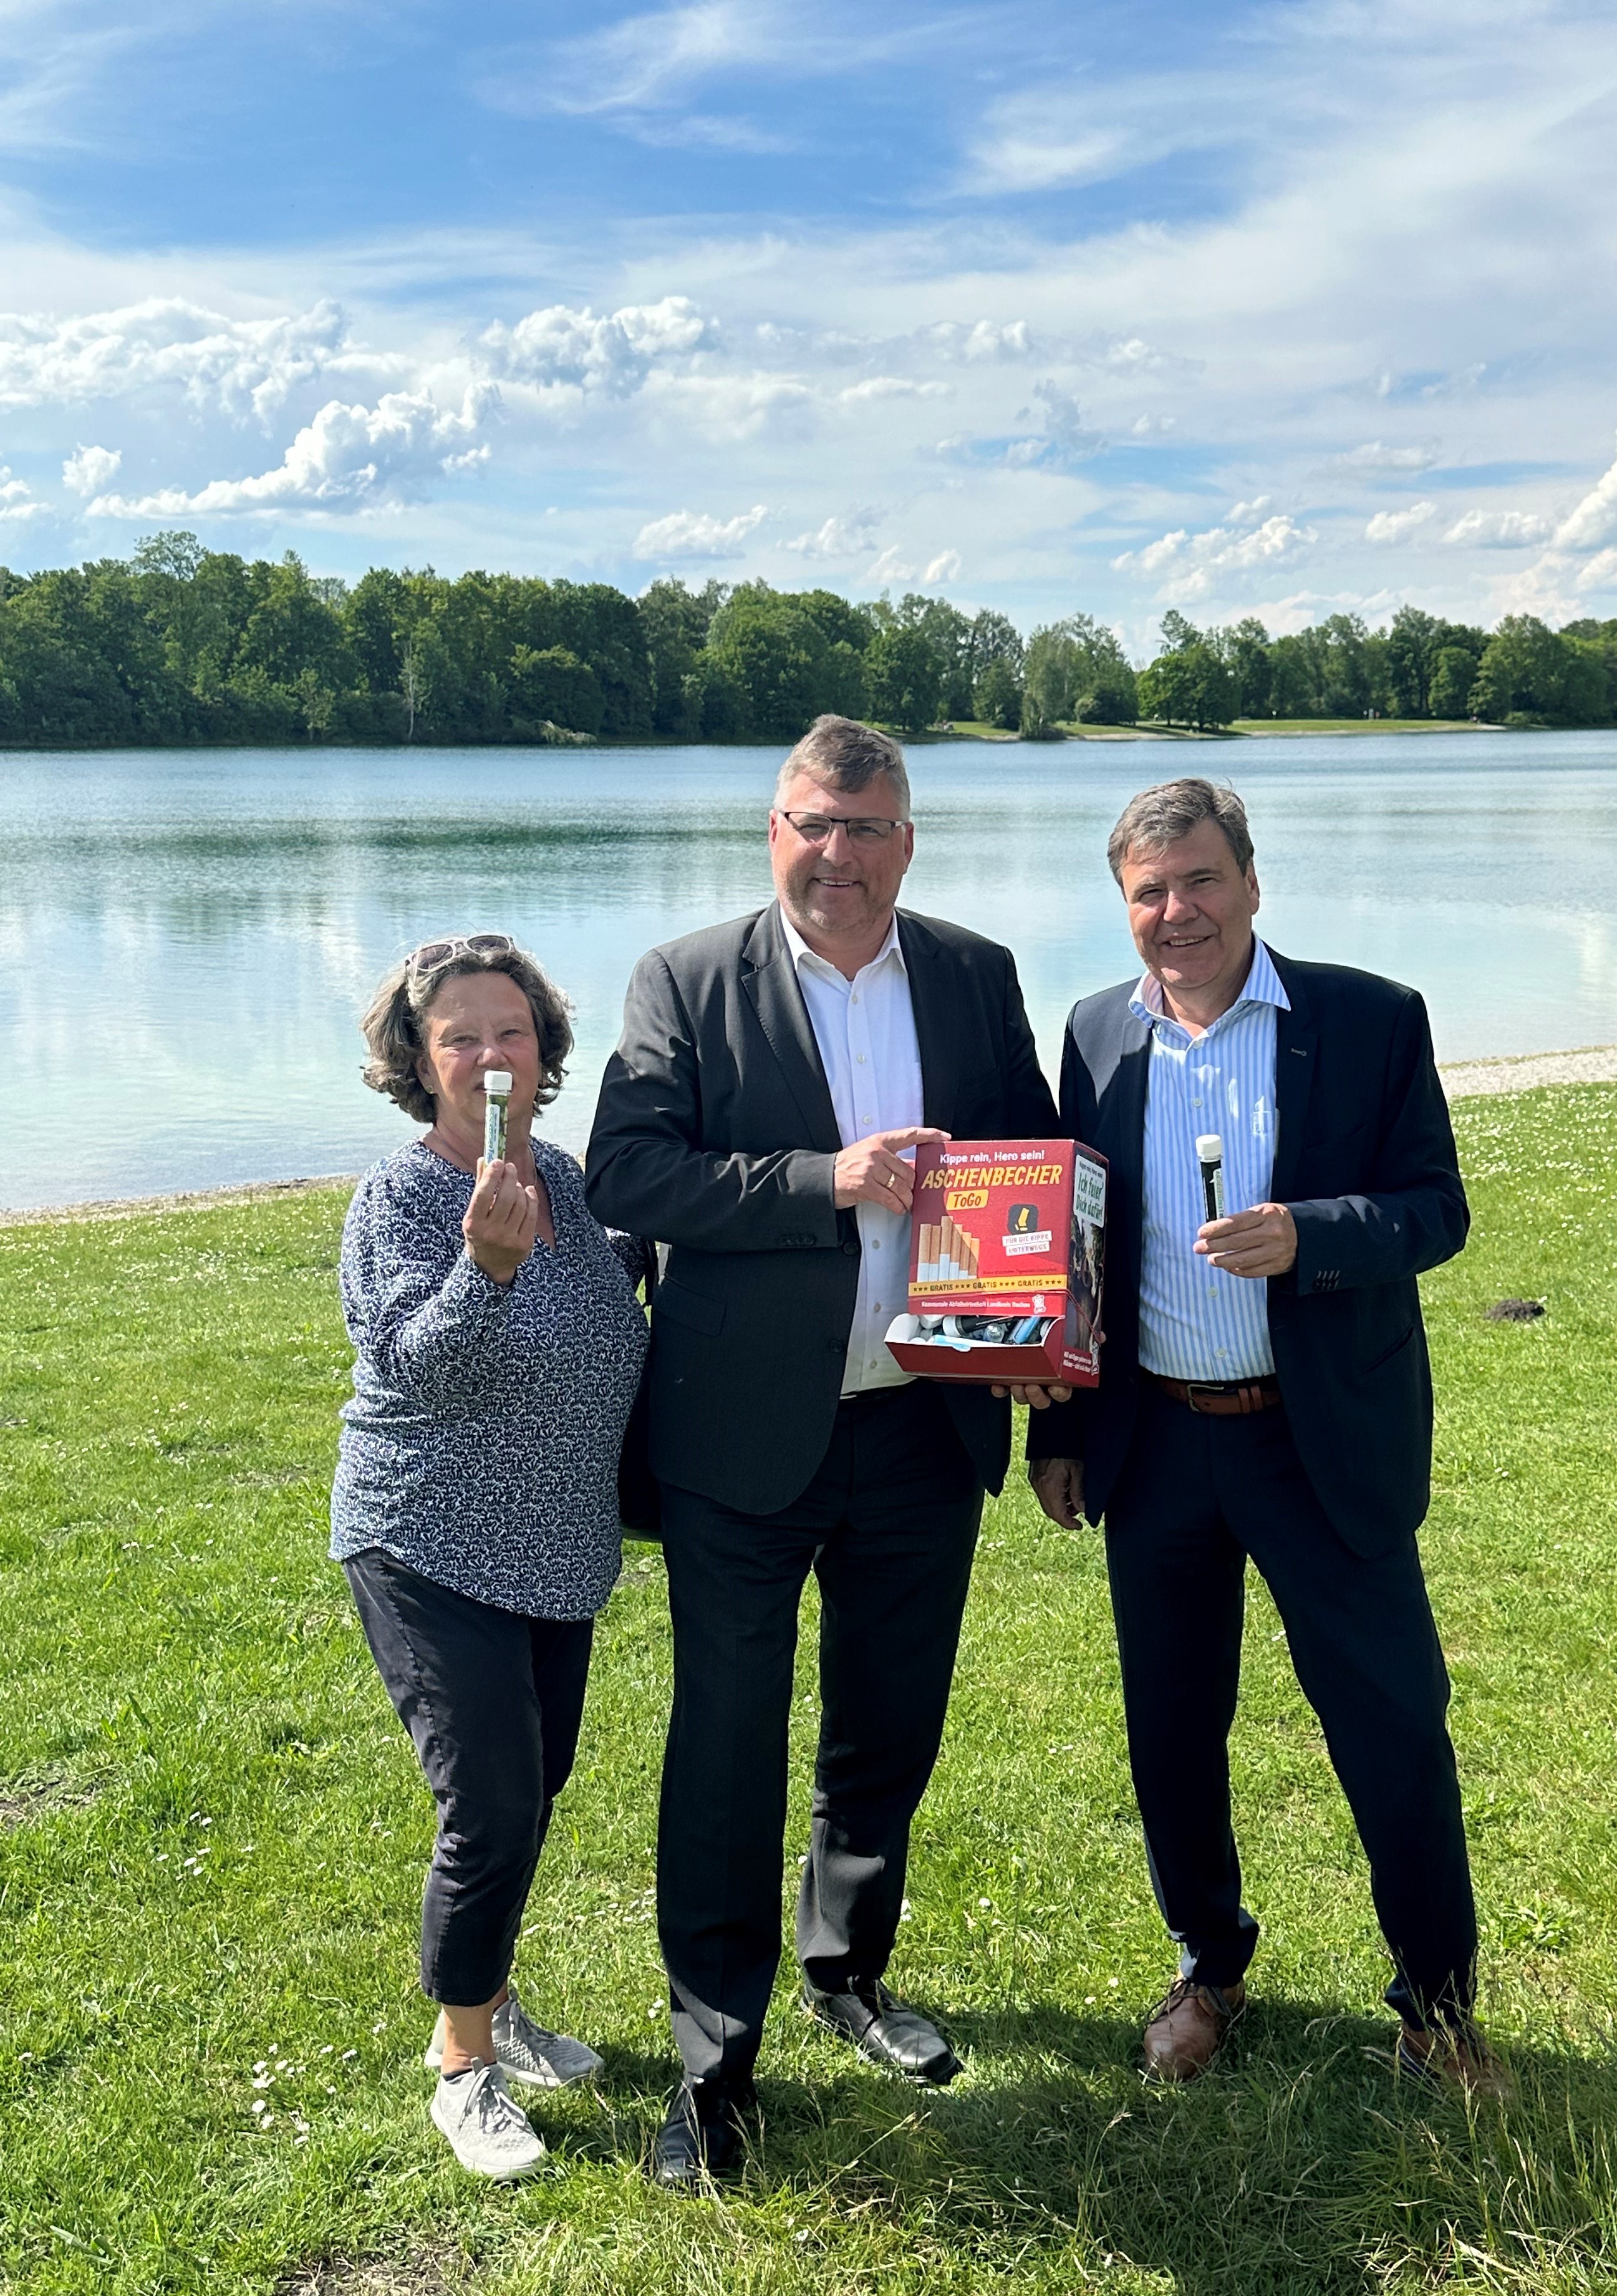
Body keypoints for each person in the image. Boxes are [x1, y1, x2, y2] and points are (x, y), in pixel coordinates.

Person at [585, 715, 1060, 2187]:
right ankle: (713, 2062)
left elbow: (1034, 1166)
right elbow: (629, 1168)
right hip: (740, 1437)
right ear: (772, 831)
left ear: (905, 841)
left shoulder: (976, 975)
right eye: (810, 823)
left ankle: (848, 1968)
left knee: (887, 1723)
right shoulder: (685, 978)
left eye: (864, 828)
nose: (835, 854)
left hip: (923, 1422)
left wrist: (1051, 1351)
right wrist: (824, 1179)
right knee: (725, 1745)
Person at [1024, 779, 1507, 2098]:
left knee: (1393, 1723)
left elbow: (1436, 1208)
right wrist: (1059, 1428)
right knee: (1173, 1729)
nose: (1174, 913)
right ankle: (1210, 1963)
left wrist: (1317, 1235)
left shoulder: (1365, 1018)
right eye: (1147, 892)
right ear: (1124, 907)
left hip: (1316, 1442)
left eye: (1197, 880)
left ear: (1250, 881)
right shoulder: (1096, 1035)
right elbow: (1080, 1249)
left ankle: (1437, 2007)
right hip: (1160, 1443)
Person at [331, 934, 651, 2180]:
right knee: (493, 1801)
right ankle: (463, 2063)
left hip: (558, 1548)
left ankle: (491, 2000)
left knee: (535, 1785)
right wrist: (486, 1267)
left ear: (543, 1049)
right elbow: (418, 1366)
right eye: (458, 1035)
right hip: (426, 1537)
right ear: (421, 1060)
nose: (487, 1055)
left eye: (508, 1031)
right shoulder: (403, 1199)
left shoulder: (568, 1183)